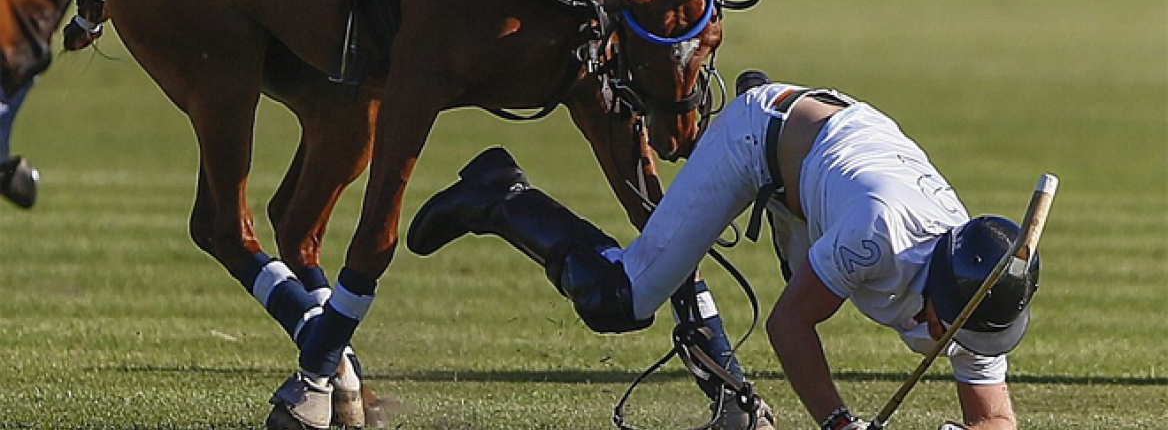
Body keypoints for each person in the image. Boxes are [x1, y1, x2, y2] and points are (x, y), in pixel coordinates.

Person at [408, 70, 1040, 430]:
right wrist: (840, 425)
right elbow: (790, 325)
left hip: (827, 171)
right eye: (951, 326)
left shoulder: (983, 289)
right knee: (618, 298)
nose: (953, 341)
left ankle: (731, 406)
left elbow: (994, 419)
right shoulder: (878, 235)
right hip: (762, 139)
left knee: (802, 265)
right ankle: (500, 195)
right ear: (939, 289)